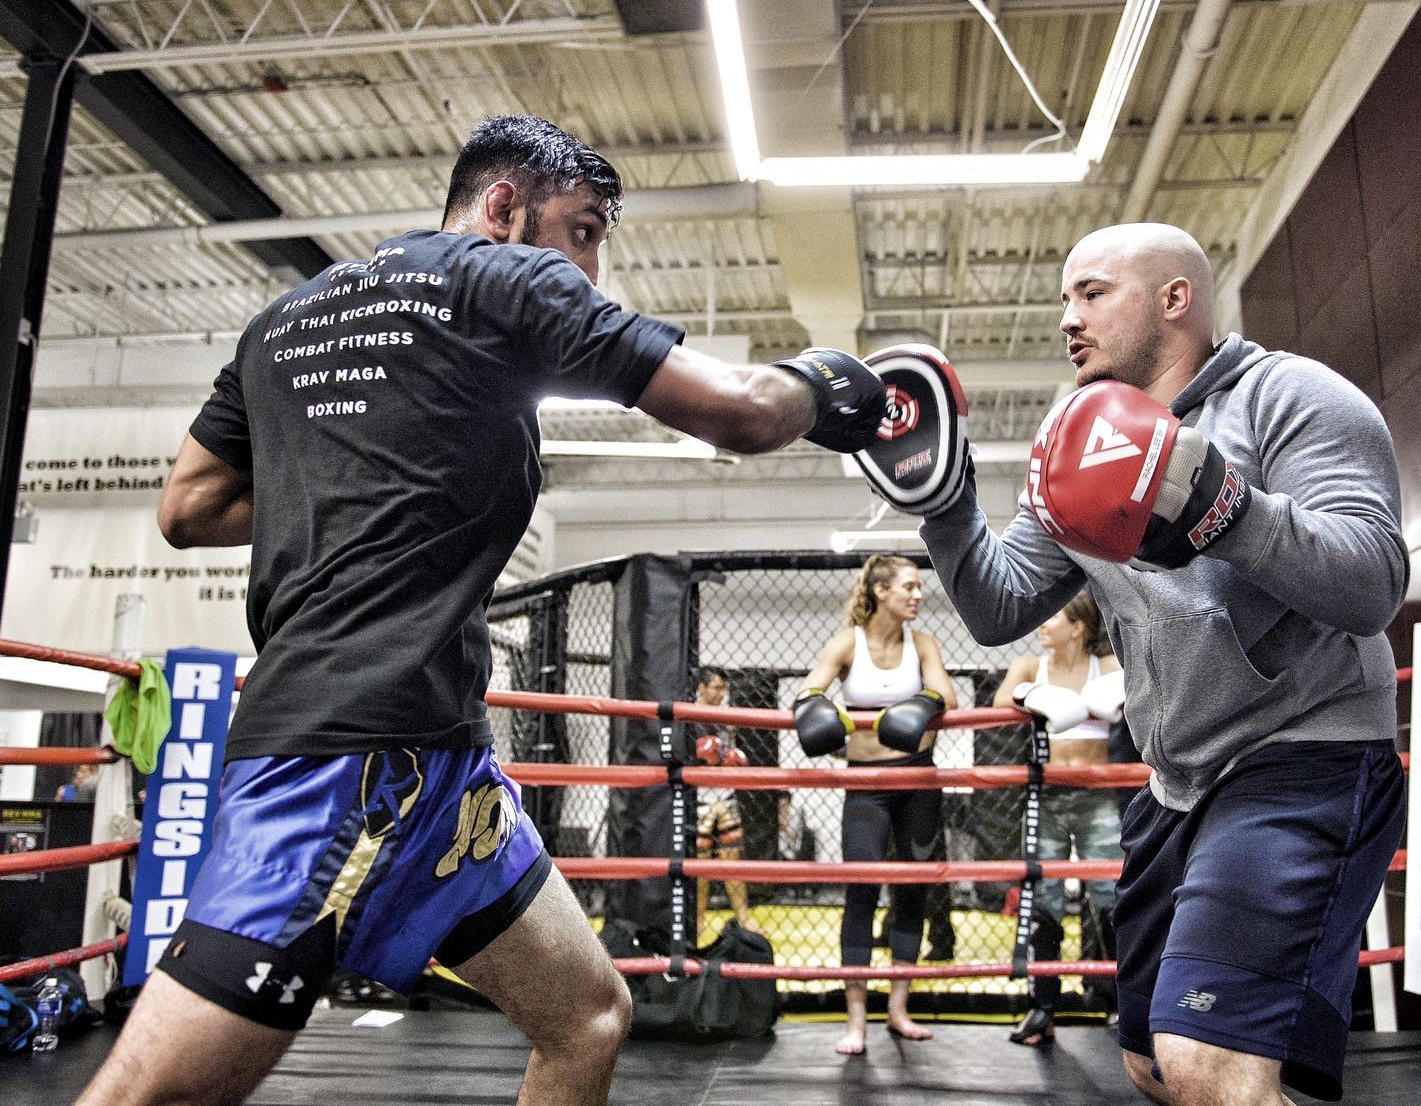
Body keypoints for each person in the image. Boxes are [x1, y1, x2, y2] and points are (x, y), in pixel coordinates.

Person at [79, 114, 885, 1106]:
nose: (587, 270)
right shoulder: (505, 279)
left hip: (444, 770)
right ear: (503, 206)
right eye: (581, 230)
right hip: (346, 763)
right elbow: (745, 412)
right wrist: (828, 381)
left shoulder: (283, 321)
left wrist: (362, 482)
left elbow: (189, 508)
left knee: (587, 1016)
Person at [906, 223, 1407, 1104]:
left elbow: (1374, 583)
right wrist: (945, 503)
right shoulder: (1075, 438)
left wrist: (1220, 504)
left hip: (1302, 758)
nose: (1069, 317)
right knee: (1148, 1061)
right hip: (1177, 783)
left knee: (1205, 1059)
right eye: (1065, 298)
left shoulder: (1289, 397)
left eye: (1092, 293)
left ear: (1176, 299)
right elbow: (1001, 605)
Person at [793, 554, 958, 1055]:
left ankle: (899, 1010)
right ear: (881, 591)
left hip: (918, 779)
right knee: (861, 892)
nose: (917, 594)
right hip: (866, 784)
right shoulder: (849, 642)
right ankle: (856, 1020)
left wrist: (922, 705)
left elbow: (946, 693)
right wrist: (828, 715)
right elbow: (808, 690)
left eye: (918, 586)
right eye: (908, 586)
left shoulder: (922, 643)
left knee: (911, 896)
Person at [992, 593, 1123, 1045]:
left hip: (1096, 797)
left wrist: (1097, 696)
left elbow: (1130, 689)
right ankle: (1043, 1006)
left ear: (1079, 626)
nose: (1042, 625)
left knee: (1108, 894)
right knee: (1043, 896)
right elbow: (995, 708)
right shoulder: (1031, 667)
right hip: (1046, 797)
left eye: (1053, 617)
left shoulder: (1104, 665)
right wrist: (1032, 695)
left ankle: (1120, 1003)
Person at [691, 665, 763, 941]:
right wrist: (703, 753)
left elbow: (727, 754)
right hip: (700, 794)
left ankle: (743, 917)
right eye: (717, 688)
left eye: (724, 688)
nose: (722, 694)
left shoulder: (725, 717)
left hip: (724, 792)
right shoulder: (689, 716)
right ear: (701, 688)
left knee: (733, 855)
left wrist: (733, 758)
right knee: (700, 860)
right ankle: (698, 919)